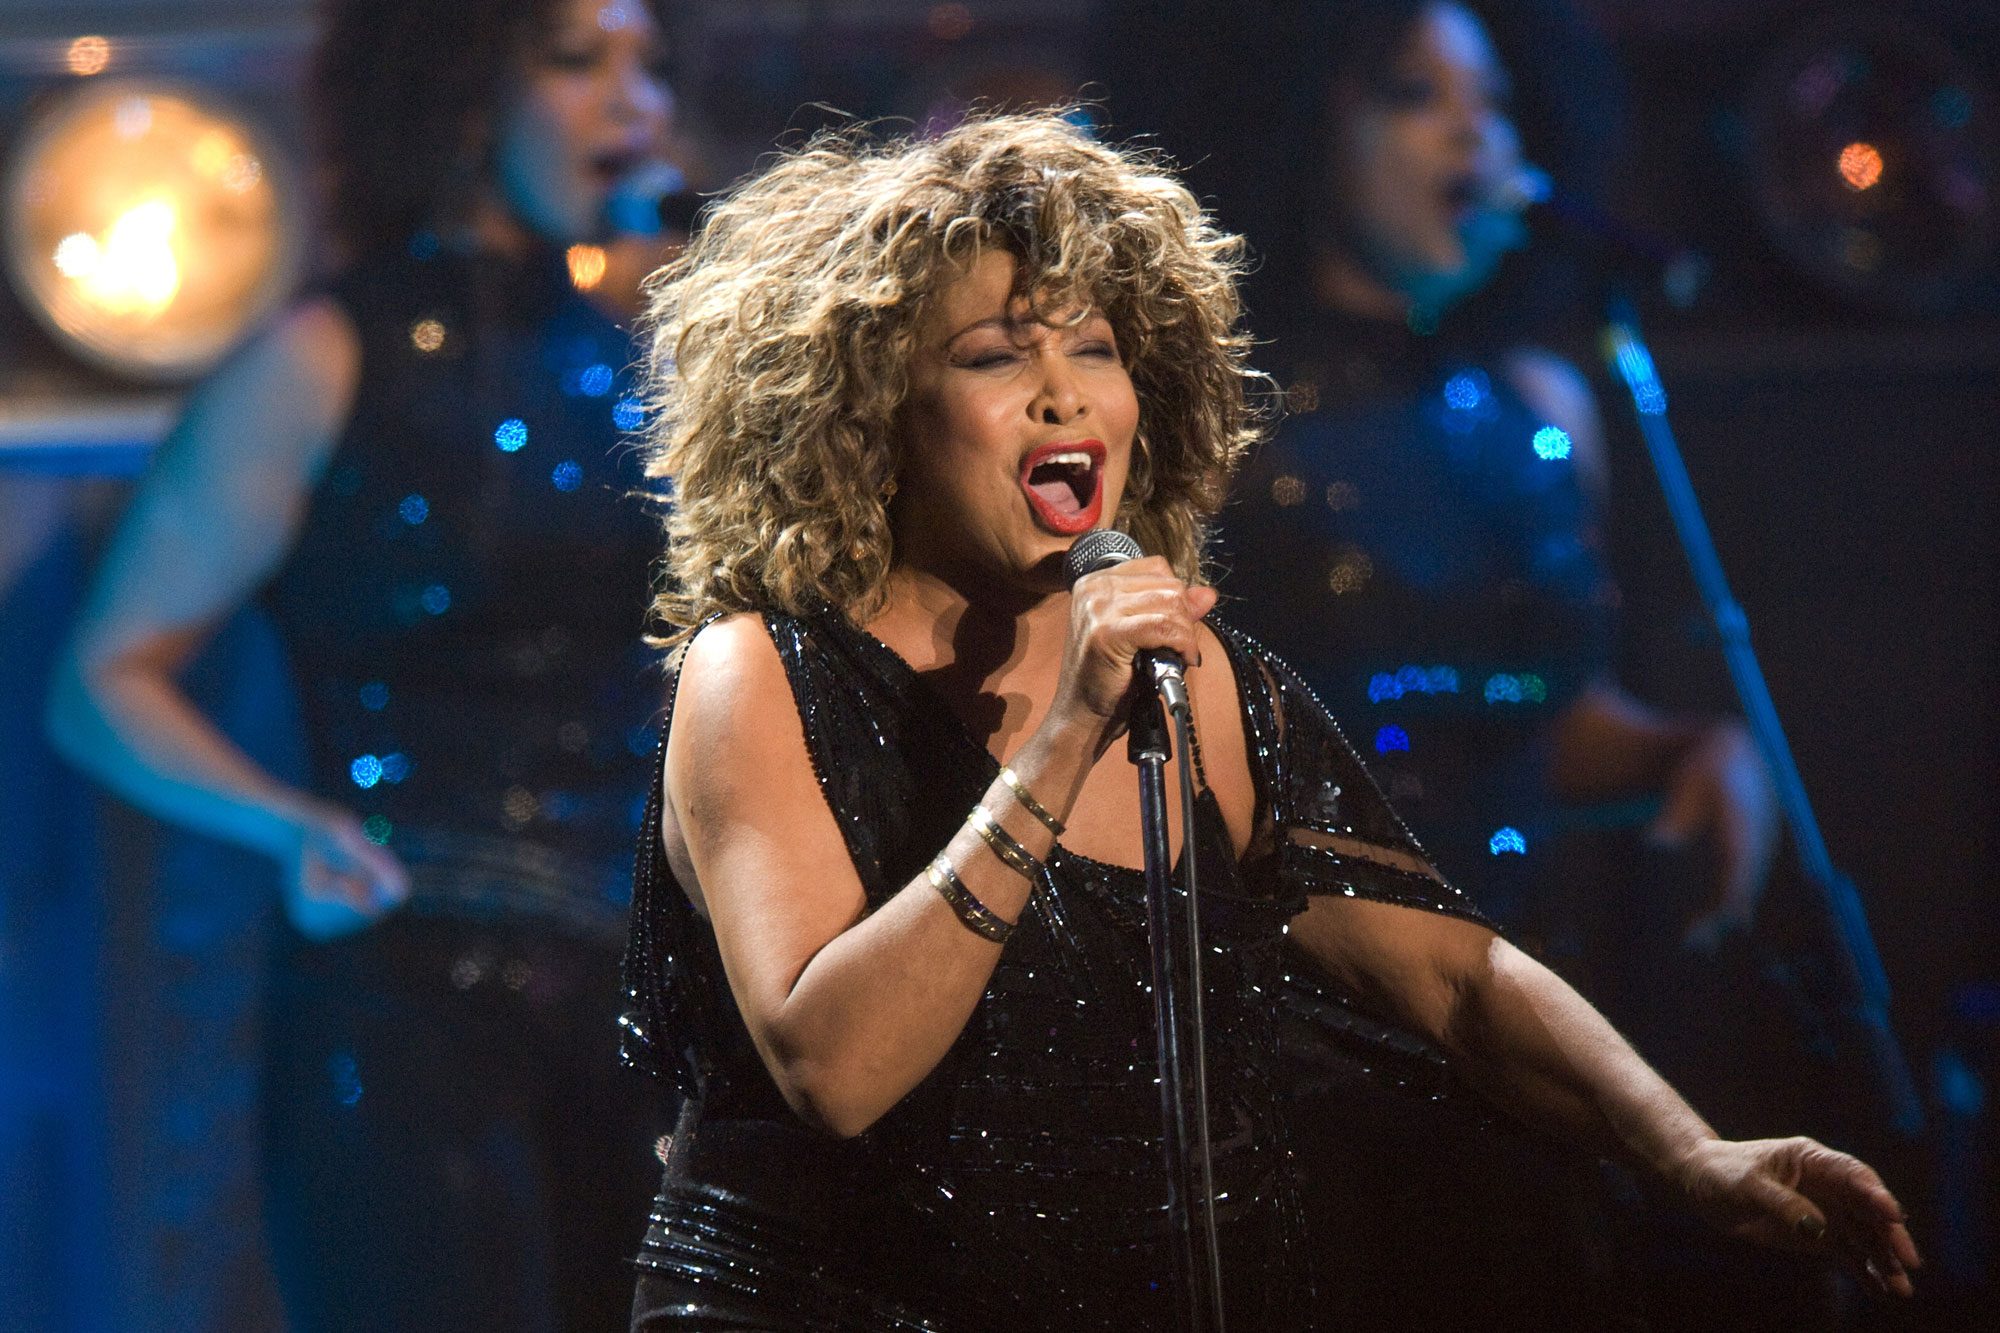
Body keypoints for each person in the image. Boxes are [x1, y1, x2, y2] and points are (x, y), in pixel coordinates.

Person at [616, 109, 1915, 1331]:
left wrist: (1690, 1148)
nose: (1063, 394)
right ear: (874, 415)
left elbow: (1455, 979)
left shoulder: (1203, 684)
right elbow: (831, 1066)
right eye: (995, 354)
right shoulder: (764, 673)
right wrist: (1067, 735)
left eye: (1096, 348)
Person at [47, 0, 680, 1326]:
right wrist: (289, 828)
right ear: (460, 93)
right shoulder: (326, 355)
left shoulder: (640, 366)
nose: (637, 104)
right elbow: (103, 679)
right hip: (405, 1001)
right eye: (579, 63)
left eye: (647, 66)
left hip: (636, 1006)